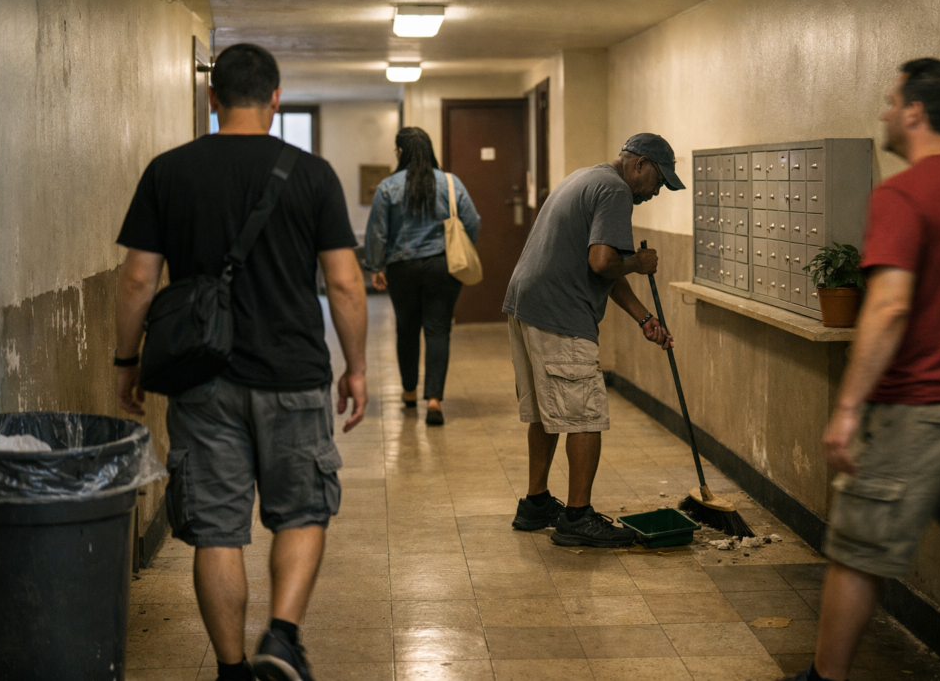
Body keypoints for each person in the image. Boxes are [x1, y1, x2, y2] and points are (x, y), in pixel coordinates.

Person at [113, 44, 367, 681]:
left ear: (211, 99)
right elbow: (344, 284)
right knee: (303, 511)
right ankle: (281, 638)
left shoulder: (167, 171)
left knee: (218, 531)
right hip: (294, 374)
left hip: (202, 378)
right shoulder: (312, 175)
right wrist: (356, 367)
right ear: (275, 99)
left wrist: (127, 360)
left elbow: (137, 282)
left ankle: (231, 671)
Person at [784, 59, 940, 681]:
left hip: (918, 404)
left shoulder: (904, 194)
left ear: (915, 112)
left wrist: (848, 407)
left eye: (890, 100)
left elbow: (891, 305)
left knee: (858, 550)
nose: (883, 111)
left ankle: (826, 679)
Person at [502, 133, 682, 547]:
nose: (657, 191)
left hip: (526, 305)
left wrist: (644, 319)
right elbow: (604, 263)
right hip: (560, 314)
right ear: (639, 164)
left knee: (544, 412)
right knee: (586, 415)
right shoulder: (616, 191)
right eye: (658, 180)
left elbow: (602, 268)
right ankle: (577, 518)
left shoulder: (586, 177)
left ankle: (535, 504)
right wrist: (640, 263)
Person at [364, 127, 481, 426]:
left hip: (402, 268)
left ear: (400, 153)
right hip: (443, 267)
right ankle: (433, 400)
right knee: (438, 329)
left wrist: (375, 266)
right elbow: (472, 221)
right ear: (429, 151)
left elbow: (378, 231)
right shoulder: (451, 183)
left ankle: (408, 392)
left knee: (406, 328)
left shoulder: (388, 187)